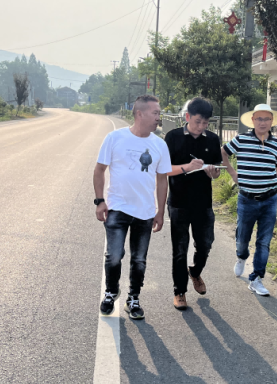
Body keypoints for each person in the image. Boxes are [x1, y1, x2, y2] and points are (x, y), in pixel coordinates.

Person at [93, 95, 172, 320]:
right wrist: (100, 201)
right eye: (155, 113)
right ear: (140, 114)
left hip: (145, 212)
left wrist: (160, 212)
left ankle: (133, 299)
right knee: (114, 256)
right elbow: (99, 170)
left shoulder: (160, 144)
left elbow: (162, 180)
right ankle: (111, 292)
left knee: (139, 259)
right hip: (117, 207)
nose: (158, 118)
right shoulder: (115, 138)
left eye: (158, 113)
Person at [164, 97, 222, 310]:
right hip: (179, 202)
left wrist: (213, 173)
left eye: (205, 123)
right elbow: (164, 169)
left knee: (205, 244)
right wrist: (187, 167)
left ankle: (195, 272)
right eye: (198, 121)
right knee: (180, 249)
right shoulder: (173, 137)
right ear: (187, 117)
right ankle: (179, 291)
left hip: (203, 203)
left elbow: (217, 170)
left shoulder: (212, 139)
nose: (201, 126)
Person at [221, 103, 277, 297]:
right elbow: (223, 152)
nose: (263, 122)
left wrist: (276, 186)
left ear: (272, 121)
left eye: (266, 119)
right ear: (253, 120)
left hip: (269, 199)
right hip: (247, 199)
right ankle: (241, 257)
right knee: (242, 239)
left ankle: (256, 278)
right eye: (259, 119)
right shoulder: (241, 140)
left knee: (264, 242)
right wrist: (233, 174)